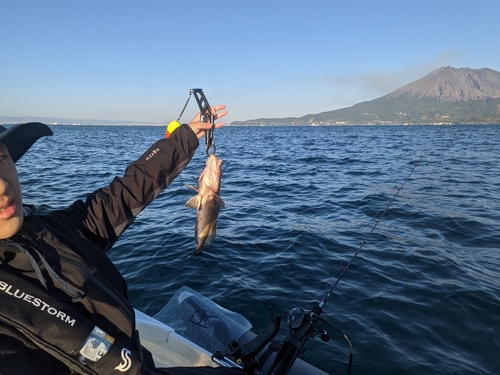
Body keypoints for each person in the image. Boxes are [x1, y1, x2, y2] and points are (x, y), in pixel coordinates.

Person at [0, 109, 246, 375]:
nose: (2, 186)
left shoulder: (57, 229)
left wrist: (184, 137)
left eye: (1, 157)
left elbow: (123, 194)